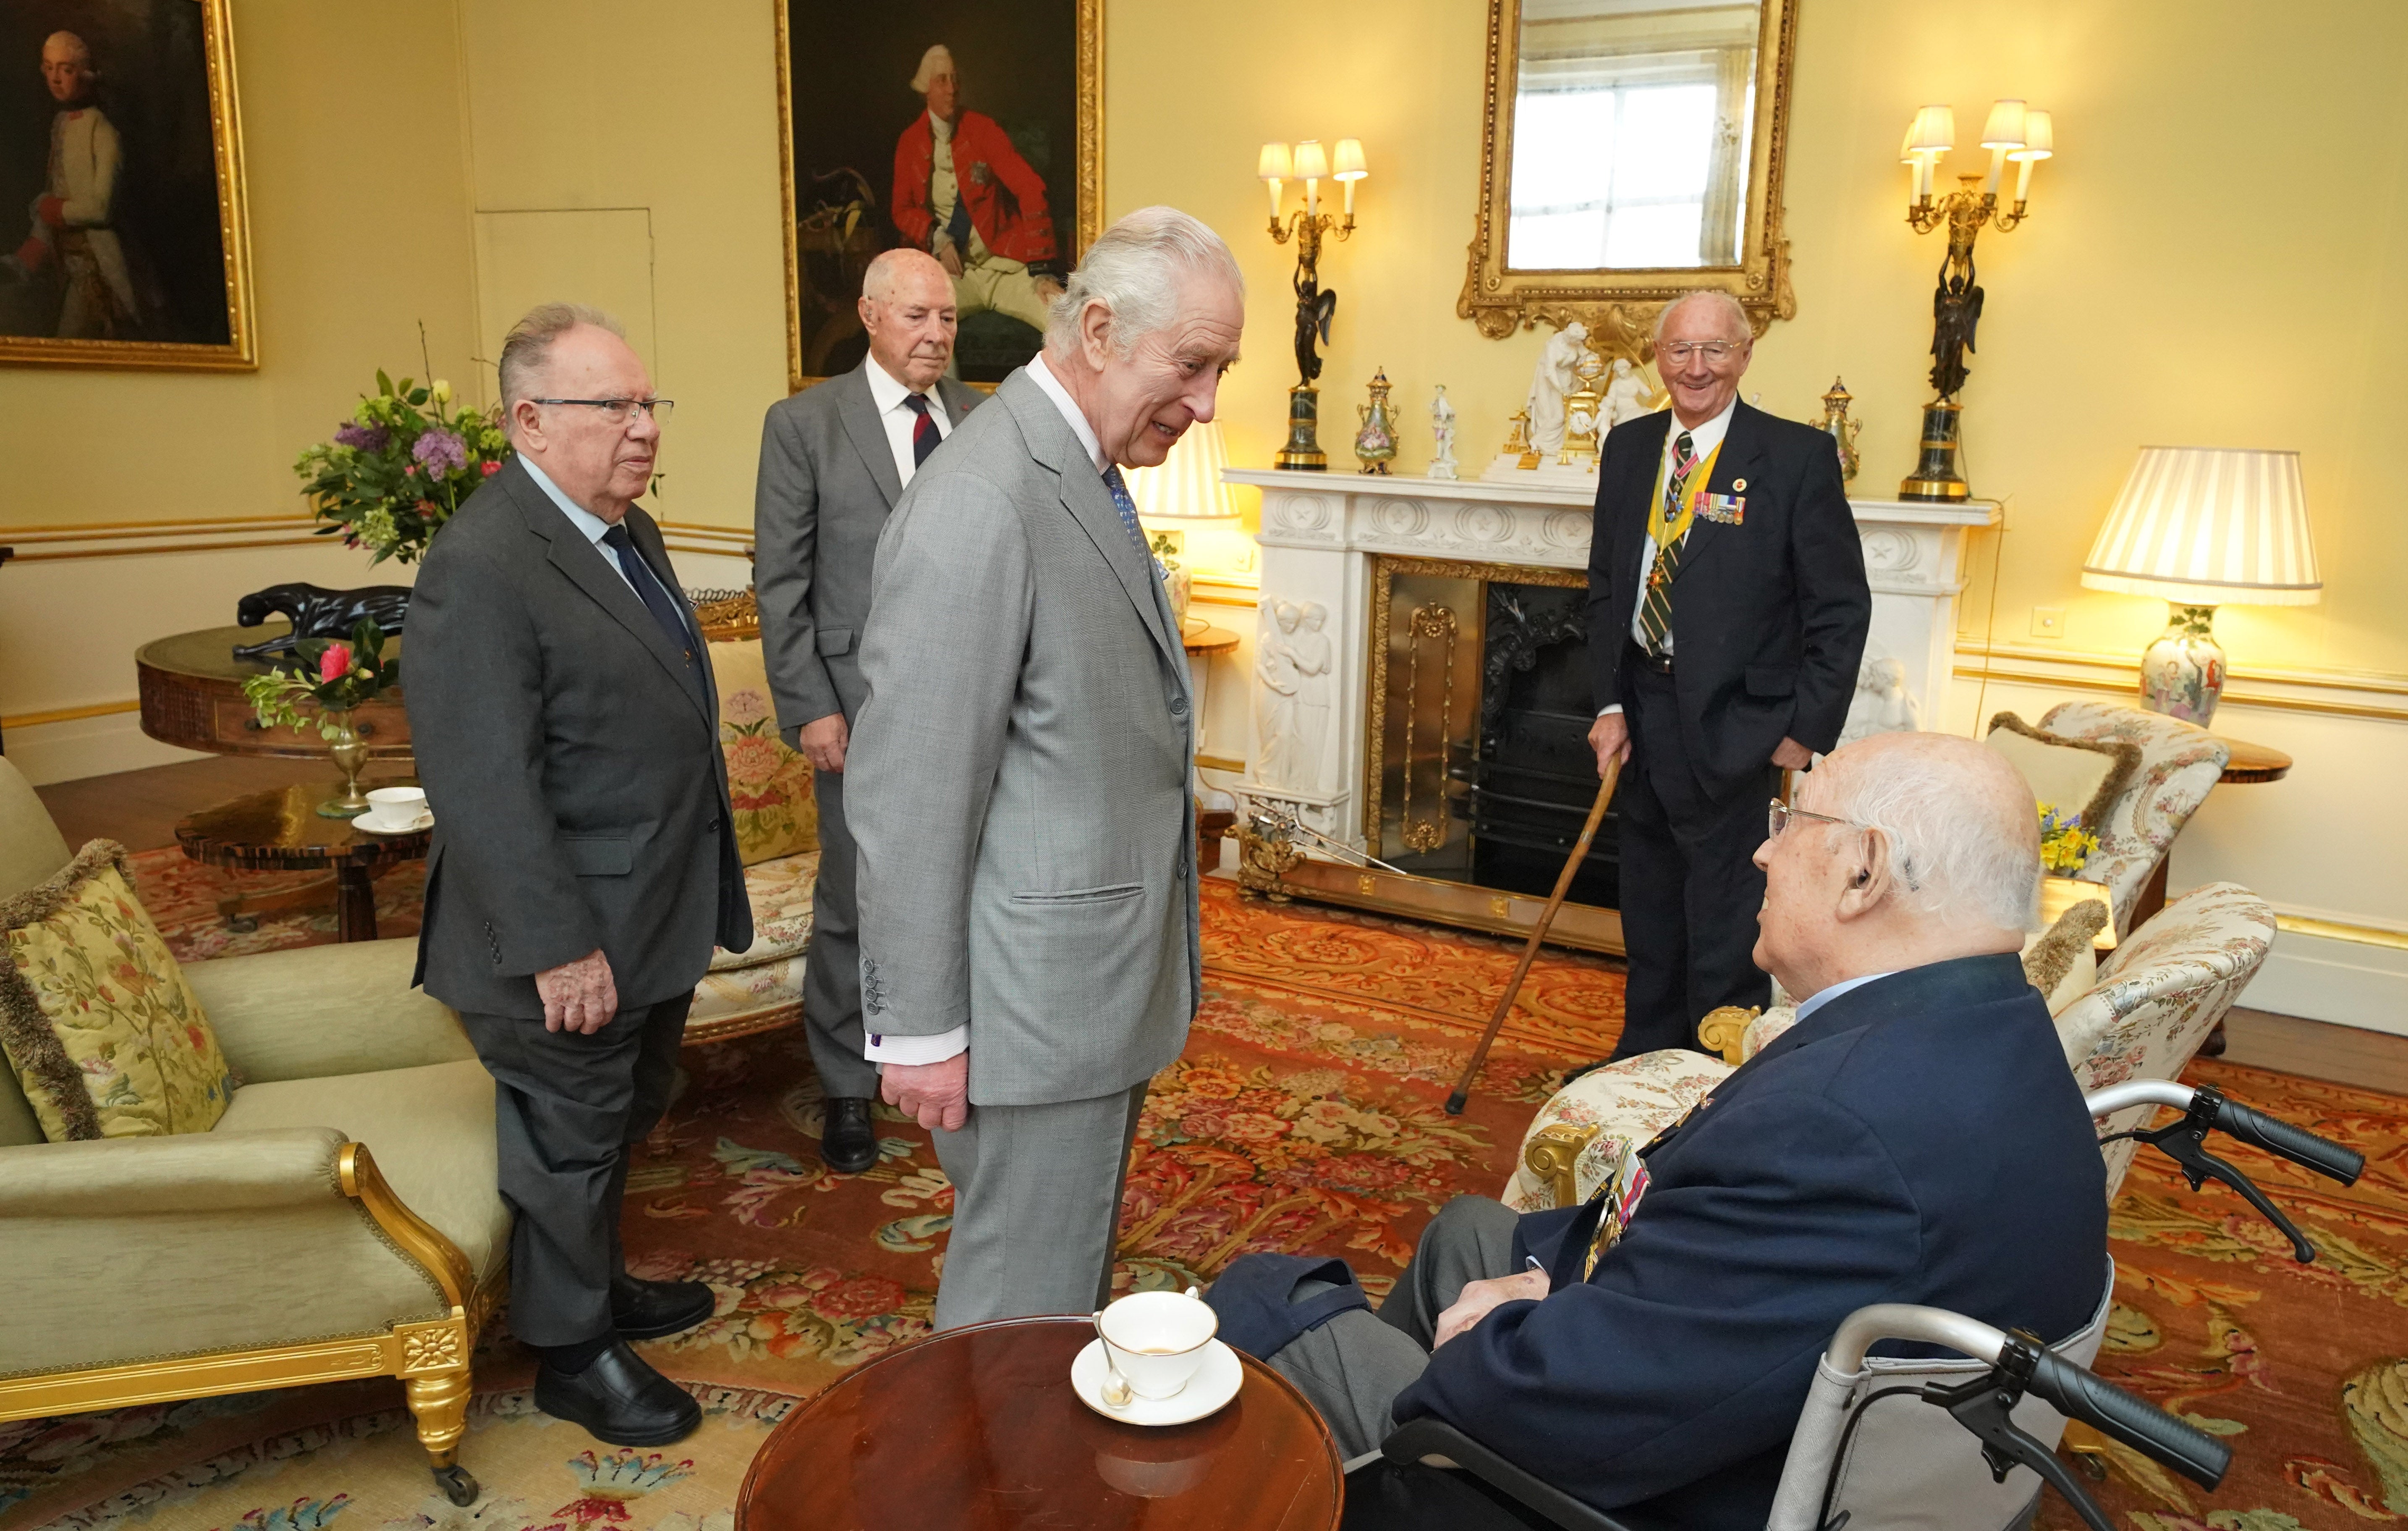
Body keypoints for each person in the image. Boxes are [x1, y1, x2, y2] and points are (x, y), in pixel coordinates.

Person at [1222, 731, 2109, 1528]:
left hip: (1673, 1490)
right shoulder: (1996, 1027)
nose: (1762, 849)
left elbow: (1578, 1413)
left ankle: (1391, 1480)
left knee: (1281, 1302)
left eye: (1791, 819)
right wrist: (1543, 1283)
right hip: (1754, 1400)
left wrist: (1488, 1351)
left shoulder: (1839, 1127)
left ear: (1863, 872)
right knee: (1473, 1233)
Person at [843, 206, 1243, 1327]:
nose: (1208, 402)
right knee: (1017, 1315)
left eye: (1222, 369)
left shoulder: (1077, 463)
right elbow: (911, 791)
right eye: (1193, 364)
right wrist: (920, 1030)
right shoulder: (983, 497)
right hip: (1029, 1016)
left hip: (1079, 1001)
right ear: (1102, 329)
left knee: (1059, 1297)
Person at [406, 303, 751, 1446]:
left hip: (647, 907)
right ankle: (571, 1351)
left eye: (649, 403)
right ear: (530, 422)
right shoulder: (483, 562)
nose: (643, 428)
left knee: (620, 1110)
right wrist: (557, 942)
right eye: (615, 407)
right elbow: (482, 780)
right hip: (560, 930)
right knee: (568, 1130)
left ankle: (592, 1284)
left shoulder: (626, 529)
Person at [1585, 290, 1870, 1058]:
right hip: (1643, 713)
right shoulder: (1629, 447)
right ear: (1658, 357)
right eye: (1680, 350)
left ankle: (1714, 1076)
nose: (1697, 367)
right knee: (1648, 905)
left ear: (1745, 355)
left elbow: (1839, 608)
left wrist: (1801, 733)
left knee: (1726, 915)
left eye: (1715, 349)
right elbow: (1609, 586)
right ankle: (1640, 1061)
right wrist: (1609, 702)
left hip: (1740, 726)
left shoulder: (1795, 458)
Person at [753, 248, 982, 1175]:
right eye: (918, 316)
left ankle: (959, 1055)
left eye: (949, 319)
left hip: (970, 701)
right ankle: (848, 1088)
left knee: (969, 886)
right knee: (857, 898)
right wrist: (811, 704)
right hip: (857, 708)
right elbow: (782, 580)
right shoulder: (805, 424)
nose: (936, 335)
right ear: (872, 317)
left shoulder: (981, 418)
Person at [890, 45, 1064, 339]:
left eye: (956, 80)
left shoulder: (983, 130)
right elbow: (902, 210)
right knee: (915, 334)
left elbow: (1031, 189)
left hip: (1005, 267)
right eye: (942, 81)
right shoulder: (910, 142)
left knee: (1065, 325)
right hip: (953, 276)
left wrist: (1042, 271)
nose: (952, 89)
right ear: (926, 90)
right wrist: (938, 238)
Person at [8, 32, 148, 337]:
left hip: (99, 269)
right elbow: (56, 193)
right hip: (67, 264)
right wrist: (28, 256)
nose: (55, 79)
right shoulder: (61, 124)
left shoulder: (102, 130)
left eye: (66, 70)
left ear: (86, 75)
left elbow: (100, 209)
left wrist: (54, 208)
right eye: (49, 68)